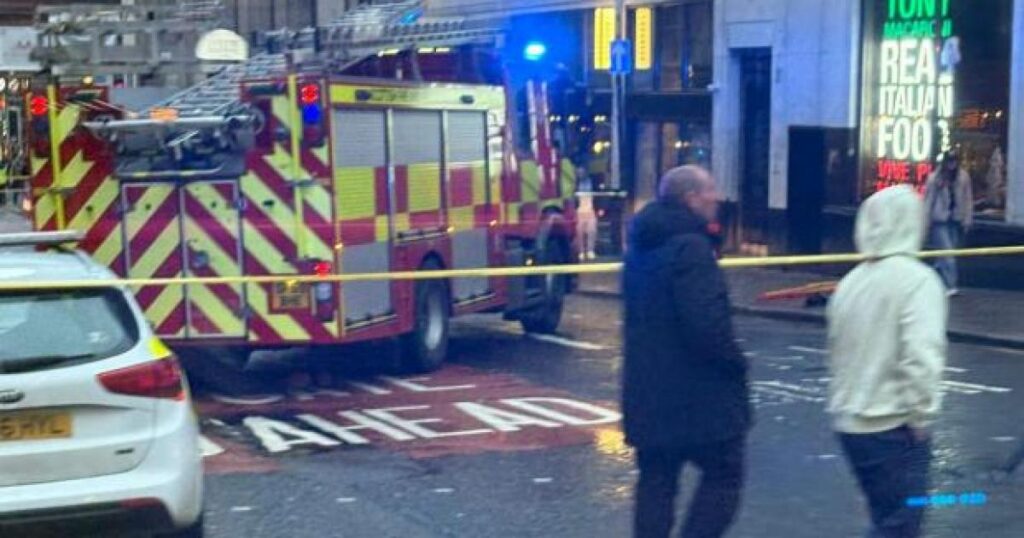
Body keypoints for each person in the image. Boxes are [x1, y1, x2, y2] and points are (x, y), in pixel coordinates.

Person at [622, 165, 751, 538]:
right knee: (725, 473)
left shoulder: (641, 245)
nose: (717, 198)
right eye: (710, 191)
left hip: (648, 393)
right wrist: (736, 362)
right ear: (691, 198)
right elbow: (706, 325)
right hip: (696, 397)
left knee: (657, 481)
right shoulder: (692, 248)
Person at [827, 185, 948, 538]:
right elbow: (922, 356)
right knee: (900, 525)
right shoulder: (917, 281)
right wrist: (922, 415)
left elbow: (838, 351)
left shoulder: (851, 282)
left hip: (851, 422)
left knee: (887, 519)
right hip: (892, 424)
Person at [922, 151, 973, 296]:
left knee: (947, 254)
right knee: (948, 254)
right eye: (949, 161)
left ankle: (936, 275)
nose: (952, 164)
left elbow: (968, 199)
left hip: (956, 219)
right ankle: (951, 285)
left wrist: (967, 219)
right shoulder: (935, 179)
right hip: (940, 221)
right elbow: (928, 201)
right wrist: (925, 221)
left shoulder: (963, 177)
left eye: (954, 161)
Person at [576, 171, 598, 260]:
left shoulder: (593, 182)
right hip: (580, 211)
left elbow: (596, 195)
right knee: (579, 232)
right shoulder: (575, 183)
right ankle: (581, 251)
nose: (581, 173)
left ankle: (590, 250)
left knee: (592, 230)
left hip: (590, 210)